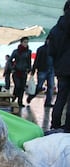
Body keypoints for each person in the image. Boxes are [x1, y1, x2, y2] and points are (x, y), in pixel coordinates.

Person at [49, 0, 70, 133]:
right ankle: (68, 128)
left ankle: (55, 125)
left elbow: (51, 51)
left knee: (61, 97)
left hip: (62, 69)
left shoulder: (56, 29)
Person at [28, 37, 55, 107]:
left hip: (51, 70)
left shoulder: (54, 49)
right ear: (46, 40)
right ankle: (31, 96)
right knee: (39, 86)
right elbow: (36, 60)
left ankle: (48, 103)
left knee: (51, 87)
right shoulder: (41, 49)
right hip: (42, 70)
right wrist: (33, 70)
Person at [8, 37, 32, 107]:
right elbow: (10, 60)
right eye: (24, 42)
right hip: (16, 72)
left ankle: (20, 102)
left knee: (22, 87)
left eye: (27, 42)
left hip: (24, 72)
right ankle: (14, 97)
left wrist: (29, 69)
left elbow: (29, 61)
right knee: (17, 86)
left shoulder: (29, 51)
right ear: (21, 43)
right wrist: (12, 68)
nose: (26, 44)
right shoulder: (16, 51)